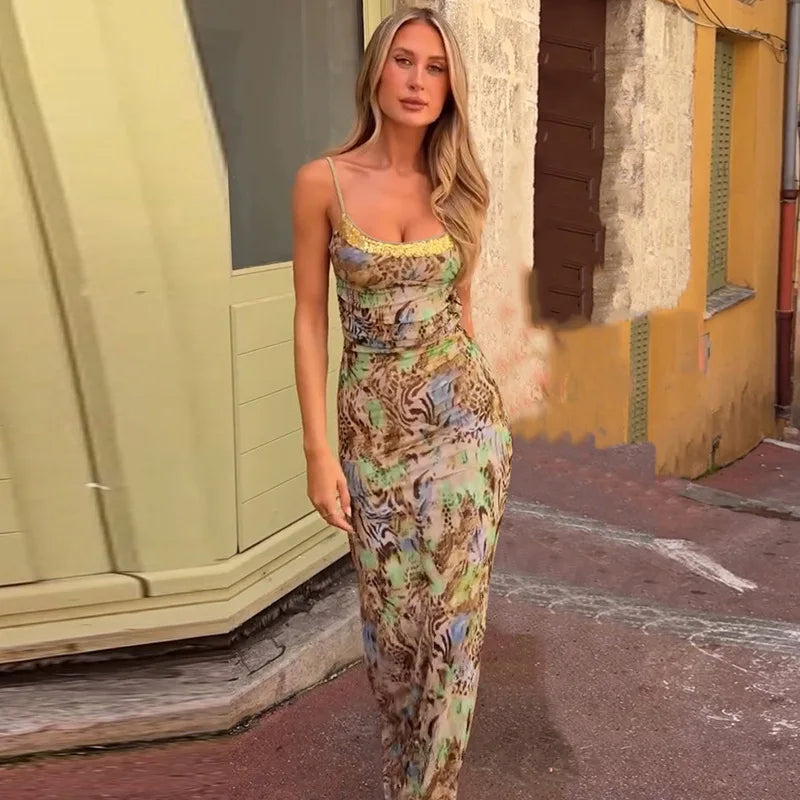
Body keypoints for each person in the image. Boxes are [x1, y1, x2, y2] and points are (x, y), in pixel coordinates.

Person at [291, 7, 512, 799]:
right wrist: (320, 453)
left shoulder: (460, 188)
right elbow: (312, 318)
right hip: (373, 441)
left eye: (436, 68)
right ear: (377, 72)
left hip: (467, 438)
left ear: (451, 87)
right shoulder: (324, 181)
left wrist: (487, 412)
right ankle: (404, 774)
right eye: (405, 62)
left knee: (454, 635)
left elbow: (464, 310)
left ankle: (431, 792)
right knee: (395, 636)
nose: (419, 81)